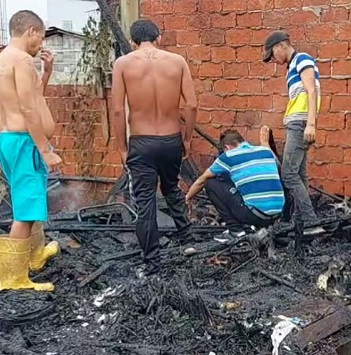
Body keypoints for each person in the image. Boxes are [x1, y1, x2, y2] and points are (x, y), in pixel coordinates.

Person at [111, 19, 197, 278]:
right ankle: (187, 239)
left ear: (133, 40)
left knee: (145, 201)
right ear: (158, 37)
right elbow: (191, 105)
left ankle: (152, 263)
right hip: (171, 139)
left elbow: (117, 110)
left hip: (141, 142)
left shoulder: (123, 64)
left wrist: (122, 147)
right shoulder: (177, 62)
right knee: (171, 187)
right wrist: (188, 139)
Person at [0, 10, 62, 292]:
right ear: (31, 31)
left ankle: (35, 255)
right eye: (40, 37)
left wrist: (46, 74)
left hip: (9, 139)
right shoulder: (21, 60)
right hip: (24, 142)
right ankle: (13, 278)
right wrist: (45, 150)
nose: (40, 44)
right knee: (26, 211)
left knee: (29, 201)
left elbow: (30, 97)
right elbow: (29, 109)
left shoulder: (1, 60)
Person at [262, 31, 324, 235]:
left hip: (301, 122)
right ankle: (301, 222)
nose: (274, 60)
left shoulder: (302, 59)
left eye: (273, 55)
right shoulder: (292, 67)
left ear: (281, 46)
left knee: (288, 174)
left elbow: (311, 90)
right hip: (298, 122)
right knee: (299, 173)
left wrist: (311, 124)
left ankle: (311, 222)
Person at [185, 128, 285, 243]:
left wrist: (187, 198)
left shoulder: (228, 157)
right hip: (277, 214)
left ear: (227, 148)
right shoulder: (265, 151)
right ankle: (259, 227)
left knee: (210, 183)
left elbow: (201, 180)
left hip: (256, 215)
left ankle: (236, 231)